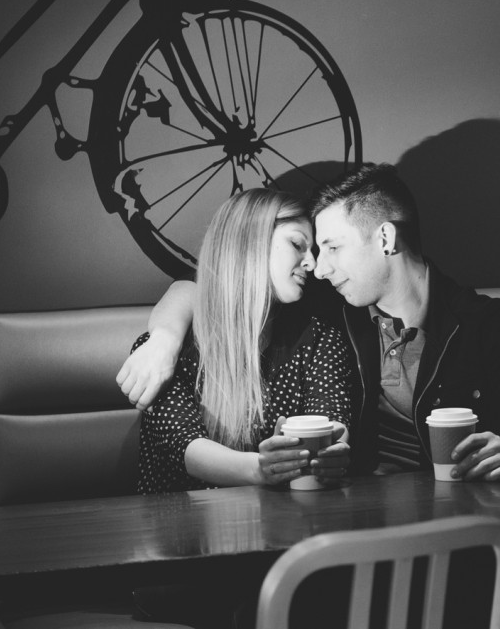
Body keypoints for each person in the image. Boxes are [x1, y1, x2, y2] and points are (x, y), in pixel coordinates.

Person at [119, 165, 500, 482]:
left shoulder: (487, 323)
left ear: (385, 238)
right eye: (309, 248)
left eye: (332, 247)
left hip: (469, 508)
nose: (319, 266)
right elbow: (215, 292)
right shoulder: (332, 311)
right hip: (362, 517)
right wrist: (164, 336)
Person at [134, 188, 353, 493]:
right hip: (182, 527)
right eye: (297, 244)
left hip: (284, 524)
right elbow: (186, 447)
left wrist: (332, 452)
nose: (312, 264)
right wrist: (261, 468)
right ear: (251, 240)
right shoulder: (166, 350)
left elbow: (331, 422)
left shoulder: (319, 340)